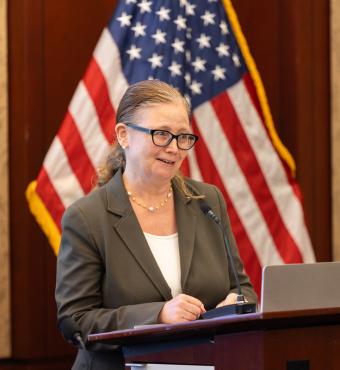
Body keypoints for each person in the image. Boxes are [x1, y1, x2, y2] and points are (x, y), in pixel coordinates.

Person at [55, 80, 257, 370]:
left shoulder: (207, 200)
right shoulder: (87, 217)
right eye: (161, 134)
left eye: (183, 136)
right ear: (124, 135)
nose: (174, 148)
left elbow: (243, 289)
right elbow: (75, 320)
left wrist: (235, 306)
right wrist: (158, 315)